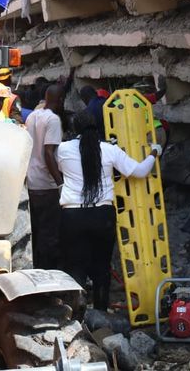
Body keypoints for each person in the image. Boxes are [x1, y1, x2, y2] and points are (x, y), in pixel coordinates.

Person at [57, 112, 161, 310]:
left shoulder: (63, 149)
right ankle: (101, 313)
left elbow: (63, 168)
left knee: (75, 267)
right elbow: (140, 171)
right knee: (102, 267)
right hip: (102, 216)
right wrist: (154, 152)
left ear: (74, 129)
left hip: (73, 216)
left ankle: (76, 313)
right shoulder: (110, 150)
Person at [24, 83, 66, 270]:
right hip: (47, 186)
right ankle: (49, 275)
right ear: (61, 100)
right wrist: (60, 184)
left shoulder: (32, 116)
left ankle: (35, 270)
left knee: (36, 233)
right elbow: (49, 153)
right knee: (50, 237)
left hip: (31, 183)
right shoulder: (53, 120)